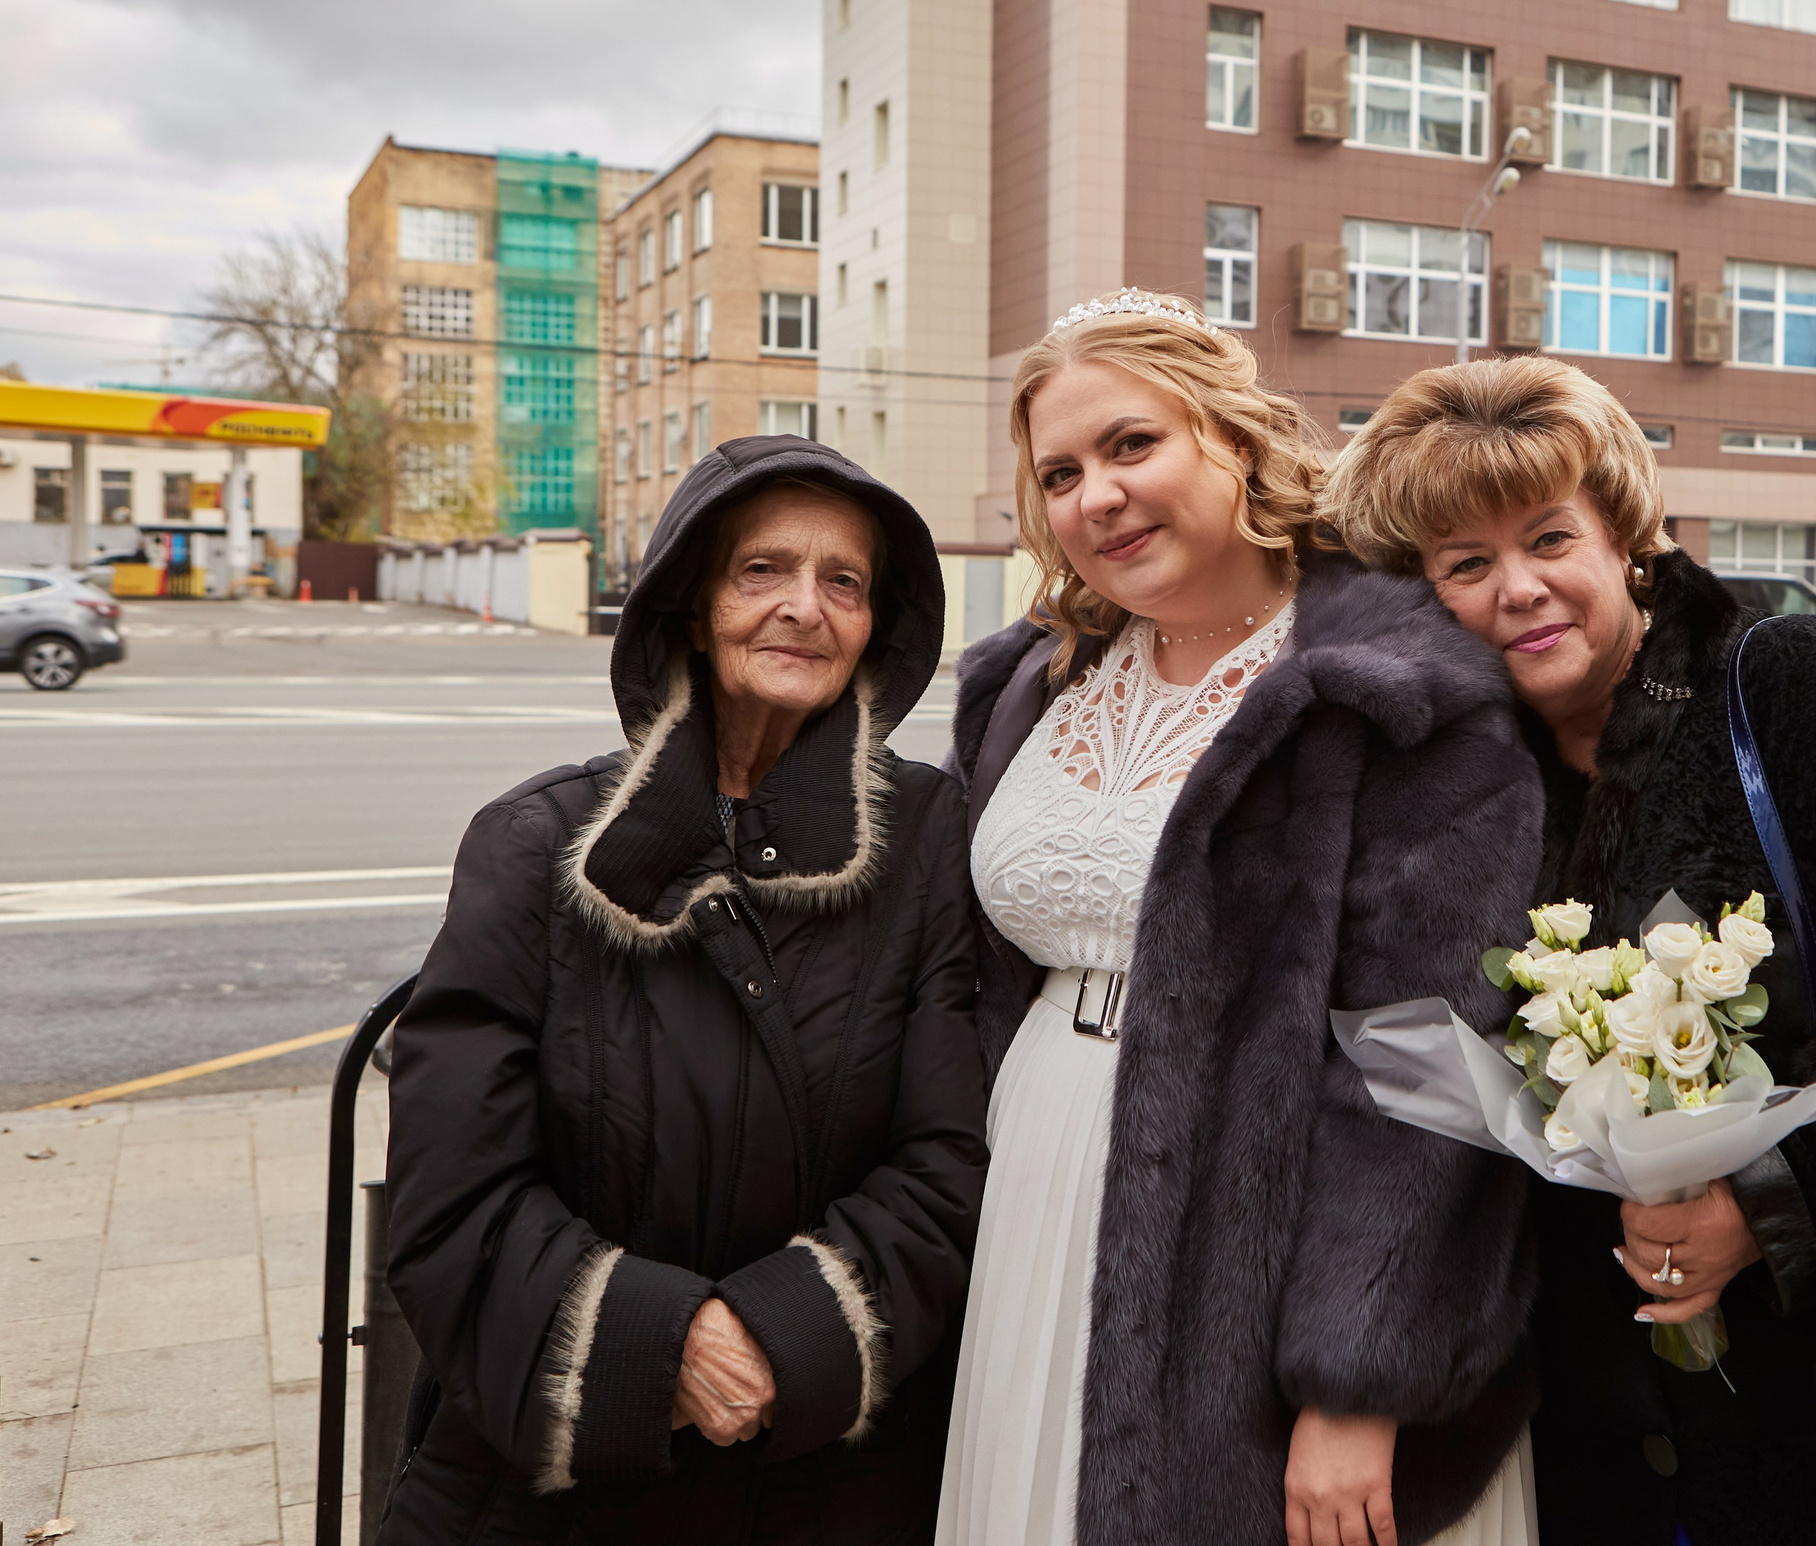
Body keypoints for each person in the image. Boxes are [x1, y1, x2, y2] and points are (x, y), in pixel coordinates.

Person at [1320, 357, 1816, 1546]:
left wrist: (1776, 1199)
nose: (1520, 588)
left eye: (1550, 537)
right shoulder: (1458, 791)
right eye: (1464, 564)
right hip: (1615, 1435)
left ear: (1623, 536)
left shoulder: (1798, 685)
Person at [939, 290, 1543, 1546]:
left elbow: (1433, 1055)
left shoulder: (1392, 691)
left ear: (1235, 436)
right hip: (1044, 1196)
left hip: (1263, 1248)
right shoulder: (1024, 681)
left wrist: (1356, 1377)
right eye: (1059, 471)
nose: (1095, 495)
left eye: (1131, 445)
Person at [380, 436, 987, 1544]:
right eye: (762, 569)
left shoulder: (931, 838)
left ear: (874, 625)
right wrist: (662, 1345)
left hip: (832, 1473)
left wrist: (782, 1335)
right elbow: (450, 1187)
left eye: (843, 580)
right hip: (554, 1480)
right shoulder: (534, 841)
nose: (804, 605)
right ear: (692, 602)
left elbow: (952, 1156)